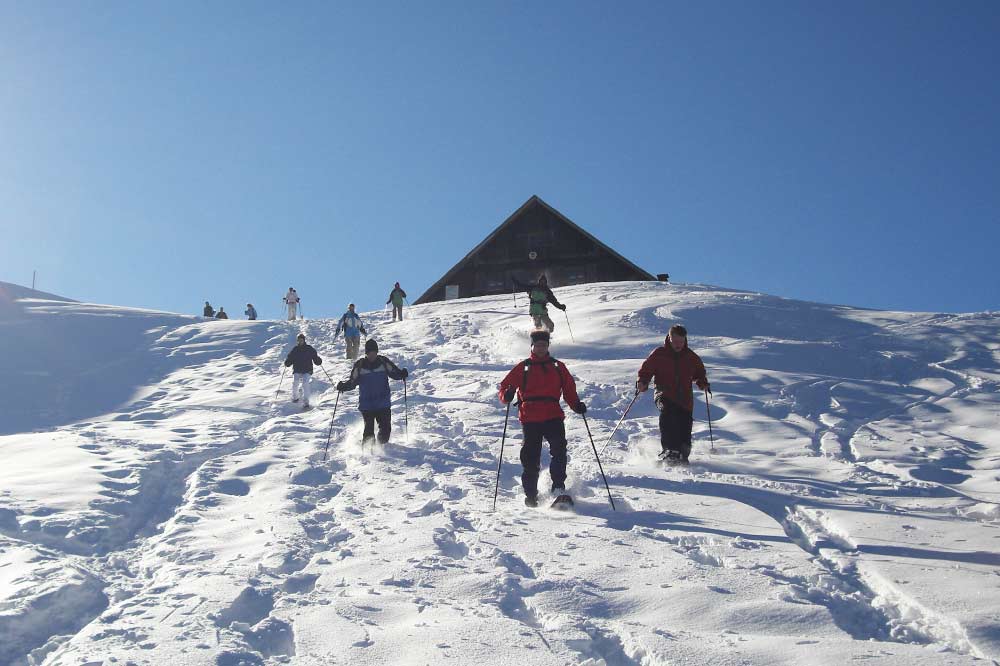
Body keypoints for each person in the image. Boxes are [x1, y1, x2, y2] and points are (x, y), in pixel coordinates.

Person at [498, 329, 586, 507]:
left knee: (559, 451)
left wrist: (576, 405)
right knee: (530, 457)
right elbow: (505, 387)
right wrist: (506, 395)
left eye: (544, 345)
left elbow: (569, 389)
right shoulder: (523, 367)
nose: (540, 348)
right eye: (537, 345)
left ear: (548, 346)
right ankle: (531, 495)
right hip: (530, 417)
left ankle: (558, 488)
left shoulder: (558, 367)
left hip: (553, 415)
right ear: (532, 346)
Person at [636, 324, 710, 465]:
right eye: (675, 341)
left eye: (681, 342)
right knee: (668, 413)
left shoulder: (691, 357)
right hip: (664, 393)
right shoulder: (659, 354)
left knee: (685, 424)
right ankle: (669, 450)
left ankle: (683, 453)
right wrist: (642, 381)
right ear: (669, 338)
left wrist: (702, 382)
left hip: (685, 399)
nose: (678, 345)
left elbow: (699, 373)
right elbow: (646, 370)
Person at [337, 338, 408, 447]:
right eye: (370, 352)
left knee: (385, 430)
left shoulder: (383, 362)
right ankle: (366, 454)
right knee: (369, 432)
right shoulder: (360, 365)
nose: (372, 355)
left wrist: (402, 374)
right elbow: (352, 382)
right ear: (366, 353)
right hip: (367, 405)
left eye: (374, 352)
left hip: (383, 403)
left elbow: (394, 372)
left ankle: (381, 450)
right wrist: (343, 387)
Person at [284, 333, 322, 409]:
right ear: (297, 341)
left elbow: (315, 356)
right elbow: (290, 357)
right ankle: (295, 398)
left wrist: (318, 361)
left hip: (307, 369)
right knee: (295, 383)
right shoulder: (295, 349)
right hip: (297, 369)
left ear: (304, 340)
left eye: (301, 340)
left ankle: (306, 402)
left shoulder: (309, 348)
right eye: (299, 340)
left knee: (305, 384)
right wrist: (288, 362)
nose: (300, 341)